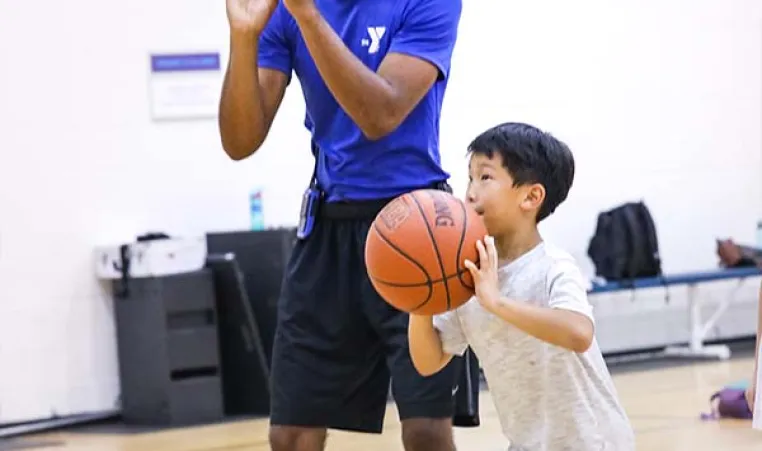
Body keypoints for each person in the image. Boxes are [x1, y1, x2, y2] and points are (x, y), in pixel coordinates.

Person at [218, 0, 463, 450]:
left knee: (427, 431)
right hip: (329, 228)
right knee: (291, 435)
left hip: (419, 226)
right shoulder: (282, 12)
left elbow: (381, 115)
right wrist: (243, 36)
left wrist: (309, 17)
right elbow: (239, 141)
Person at [408, 122, 637, 450]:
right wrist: (420, 304)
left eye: (485, 177)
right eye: (469, 177)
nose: (470, 191)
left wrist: (496, 302)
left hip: (593, 442)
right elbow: (428, 361)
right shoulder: (469, 276)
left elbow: (579, 333)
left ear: (531, 196)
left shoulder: (552, 266)